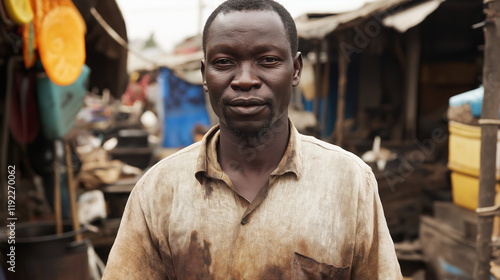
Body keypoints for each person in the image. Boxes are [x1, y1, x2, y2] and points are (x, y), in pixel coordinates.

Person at [102, 0, 403, 279]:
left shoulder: (350, 182)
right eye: (224, 62)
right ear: (205, 75)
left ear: (295, 69)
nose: (245, 79)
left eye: (268, 60)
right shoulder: (157, 190)